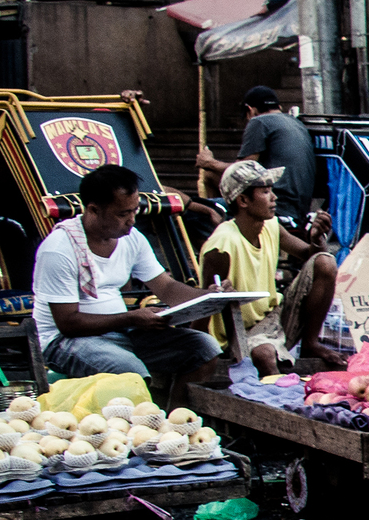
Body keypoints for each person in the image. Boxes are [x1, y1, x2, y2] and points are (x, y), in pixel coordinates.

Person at [31, 163, 224, 386]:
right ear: (93, 210)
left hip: (121, 331)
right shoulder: (58, 249)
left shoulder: (132, 238)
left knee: (205, 349)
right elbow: (68, 323)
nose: (132, 220)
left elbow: (167, 287)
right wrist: (131, 318)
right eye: (123, 214)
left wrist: (208, 297)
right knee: (129, 372)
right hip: (65, 341)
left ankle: (177, 414)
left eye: (135, 210)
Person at [198, 159, 340, 375]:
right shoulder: (223, 243)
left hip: (275, 318)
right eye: (265, 192)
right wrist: (202, 353)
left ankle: (310, 343)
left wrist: (317, 238)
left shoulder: (271, 225)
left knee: (325, 261)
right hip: (240, 333)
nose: (274, 198)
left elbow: (311, 256)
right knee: (265, 355)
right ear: (243, 200)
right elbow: (205, 303)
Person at [198, 85, 319, 227]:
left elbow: (242, 171)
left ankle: (219, 239)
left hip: (277, 205)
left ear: (251, 110)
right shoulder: (296, 123)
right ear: (278, 106)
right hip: (299, 208)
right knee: (210, 176)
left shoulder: (259, 122)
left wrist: (208, 162)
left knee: (199, 212)